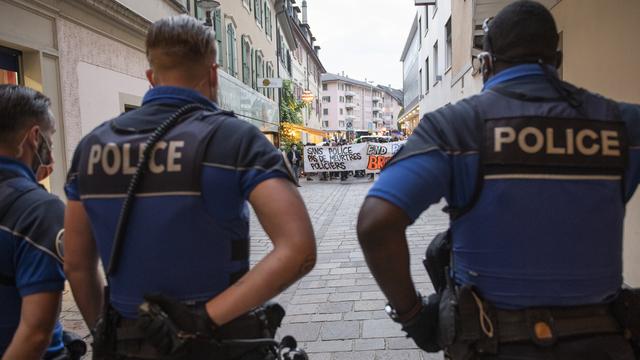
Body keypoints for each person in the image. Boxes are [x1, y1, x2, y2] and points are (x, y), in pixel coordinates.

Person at [357, 2, 639, 359]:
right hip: (605, 341)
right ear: (557, 57)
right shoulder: (624, 125)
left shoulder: (456, 127)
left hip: (492, 343)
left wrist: (413, 316)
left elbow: (375, 224)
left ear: (486, 63)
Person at [63, 15, 316, 360]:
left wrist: (106, 332)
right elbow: (298, 250)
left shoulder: (91, 147)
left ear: (151, 78)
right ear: (213, 74)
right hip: (220, 341)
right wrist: (202, 321)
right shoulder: (235, 139)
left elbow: (77, 264)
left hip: (128, 340)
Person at [0, 85, 67, 359]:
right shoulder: (40, 211)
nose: (50, 156)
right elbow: (36, 333)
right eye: (49, 141)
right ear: (35, 137)